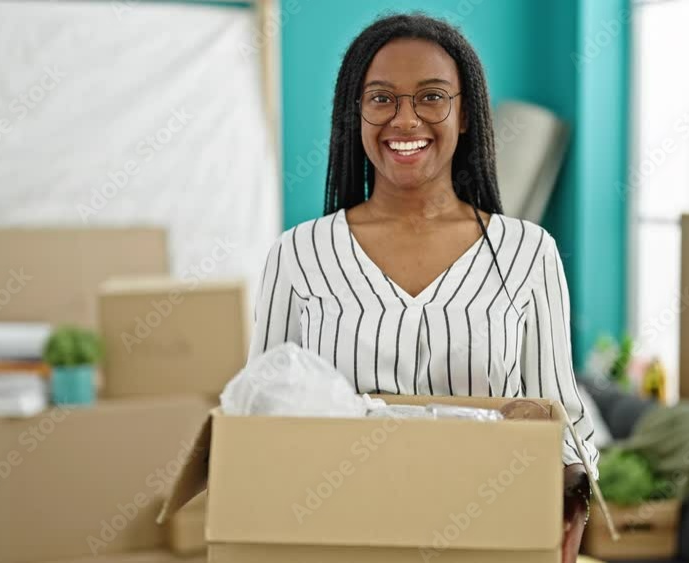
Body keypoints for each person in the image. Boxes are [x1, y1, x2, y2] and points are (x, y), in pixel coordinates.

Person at [249, 13, 598, 560]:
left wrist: (572, 494)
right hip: (338, 538)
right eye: (382, 98)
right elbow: (261, 412)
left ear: (464, 116)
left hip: (487, 535)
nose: (405, 120)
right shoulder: (300, 254)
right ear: (355, 115)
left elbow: (561, 415)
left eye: (432, 97)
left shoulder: (528, 253)